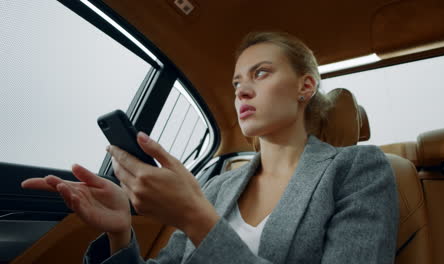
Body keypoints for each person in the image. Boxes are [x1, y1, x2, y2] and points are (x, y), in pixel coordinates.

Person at [22, 32, 399, 263]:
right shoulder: (218, 187)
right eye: (236, 82)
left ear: (305, 87)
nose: (241, 90)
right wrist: (120, 233)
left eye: (261, 73)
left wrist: (197, 220)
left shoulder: (358, 169)